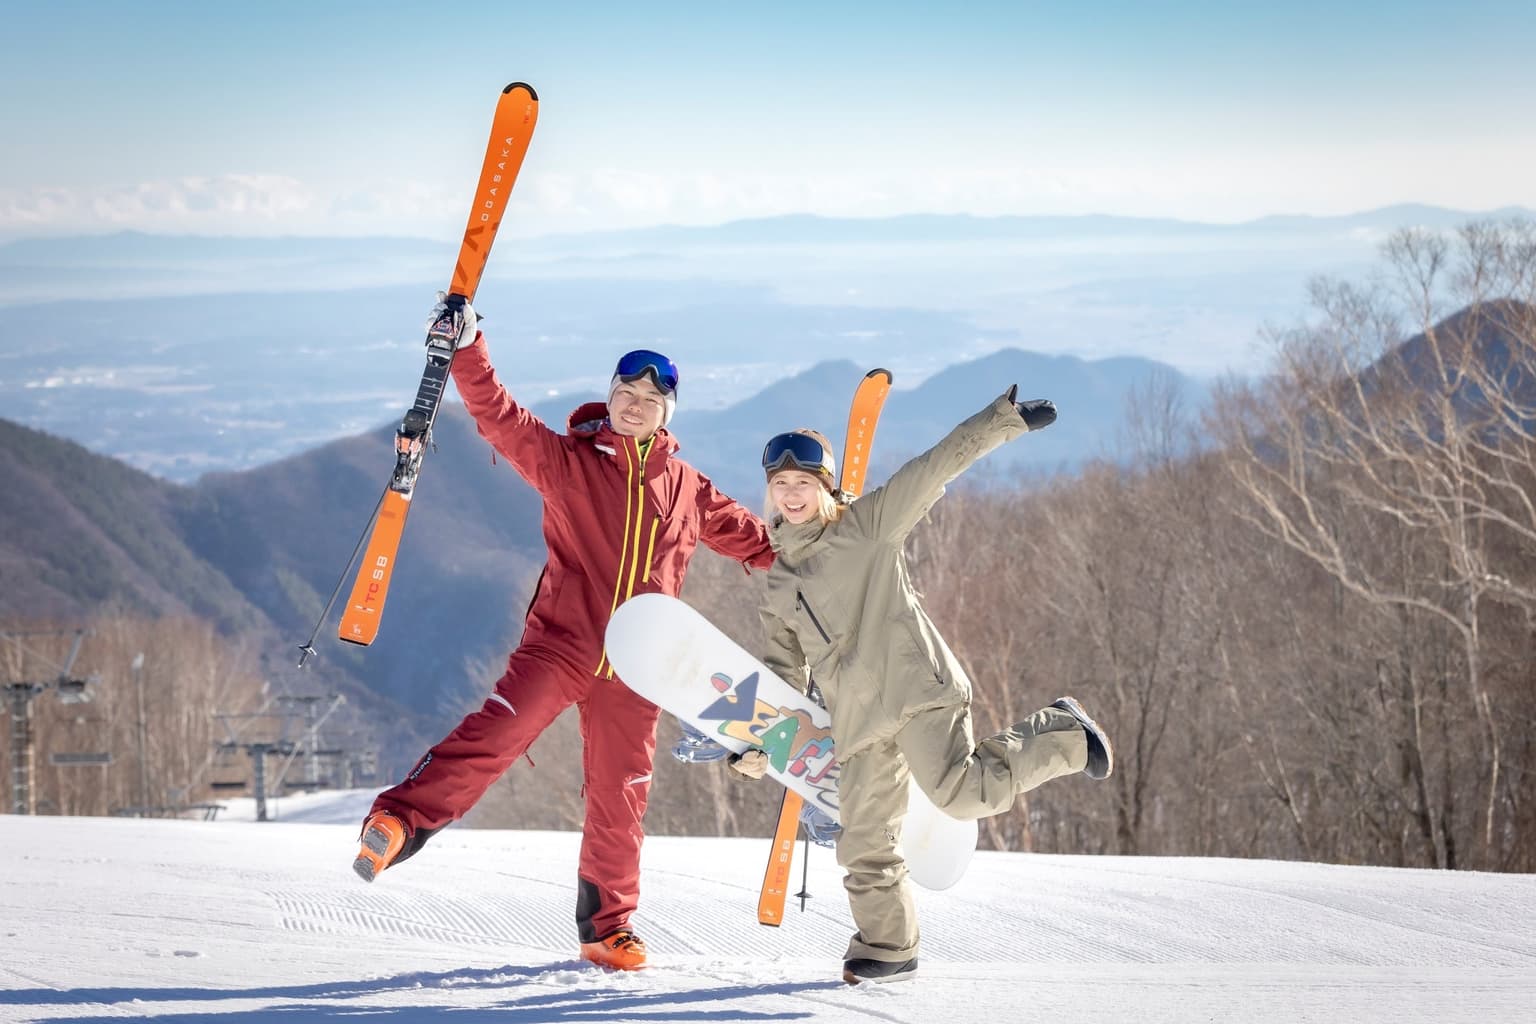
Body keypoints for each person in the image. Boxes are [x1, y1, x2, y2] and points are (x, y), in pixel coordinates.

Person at [351, 294, 775, 972]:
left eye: (648, 395)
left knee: (622, 792)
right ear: (608, 399)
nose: (633, 402)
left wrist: (826, 545)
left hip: (640, 665)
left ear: (668, 412)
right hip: (563, 644)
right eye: (623, 390)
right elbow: (498, 415)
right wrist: (468, 345)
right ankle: (399, 822)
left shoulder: (689, 489)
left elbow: (759, 544)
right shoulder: (568, 461)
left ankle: (608, 929)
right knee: (495, 735)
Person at [735, 391, 1114, 986]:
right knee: (862, 840)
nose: (791, 494)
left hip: (919, 693)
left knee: (963, 795)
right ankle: (889, 946)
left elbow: (936, 466)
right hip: (859, 725)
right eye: (780, 483)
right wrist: (760, 743)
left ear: (827, 487)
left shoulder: (867, 528)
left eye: (803, 482)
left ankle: (1063, 732)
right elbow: (784, 673)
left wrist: (1003, 421)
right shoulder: (779, 584)